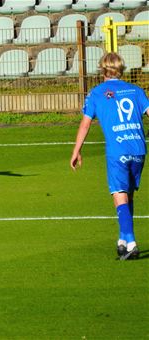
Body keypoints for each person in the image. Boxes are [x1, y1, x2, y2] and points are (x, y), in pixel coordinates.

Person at [70, 52, 149, 260]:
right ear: (121, 69)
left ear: (102, 69)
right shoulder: (136, 90)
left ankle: (131, 242)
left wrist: (76, 150)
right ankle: (122, 240)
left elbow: (85, 123)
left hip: (118, 151)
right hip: (139, 149)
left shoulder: (96, 93)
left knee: (119, 193)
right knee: (128, 193)